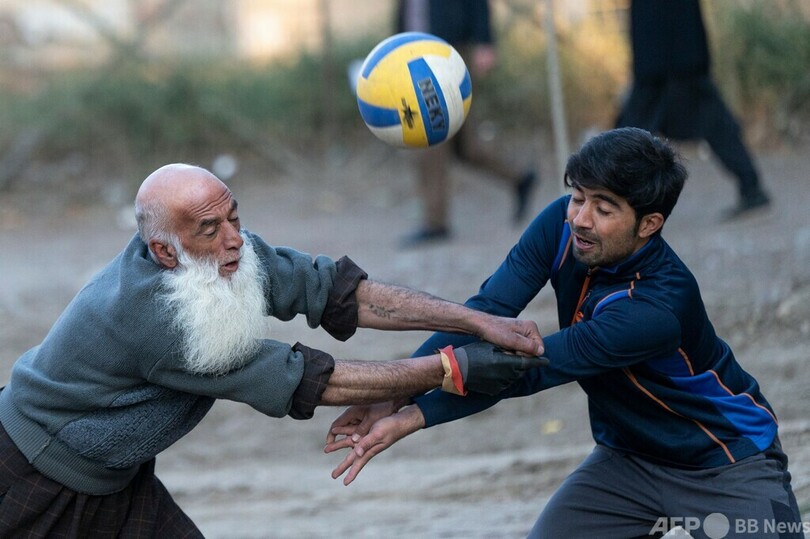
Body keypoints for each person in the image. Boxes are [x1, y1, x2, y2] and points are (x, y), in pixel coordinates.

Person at [0, 163, 546, 536]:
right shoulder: (157, 318)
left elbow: (338, 292)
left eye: (234, 217)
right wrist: (450, 368)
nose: (233, 237)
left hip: (115, 478)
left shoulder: (225, 249)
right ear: (165, 251)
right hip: (33, 481)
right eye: (211, 229)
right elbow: (306, 379)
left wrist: (477, 320)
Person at [325, 128, 803, 538]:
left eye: (604, 208)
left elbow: (525, 371)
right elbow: (487, 311)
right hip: (627, 461)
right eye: (578, 197)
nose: (580, 218)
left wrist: (411, 416)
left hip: (726, 462)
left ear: (649, 224)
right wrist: (397, 392)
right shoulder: (560, 224)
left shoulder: (658, 306)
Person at [396, 0, 537, 247]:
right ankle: (520, 177)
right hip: (412, 54)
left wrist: (485, 41)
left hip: (446, 52)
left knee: (429, 135)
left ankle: (435, 222)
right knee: (467, 147)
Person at [615, 0, 771, 221]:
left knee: (631, 129)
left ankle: (608, 195)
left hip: (670, 54)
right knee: (634, 127)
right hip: (677, 52)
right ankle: (608, 196)